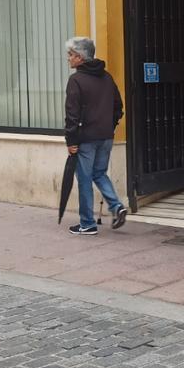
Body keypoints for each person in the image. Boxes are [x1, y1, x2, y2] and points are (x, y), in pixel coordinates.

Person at [64, 37, 128, 236]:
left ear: (80, 57)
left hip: (86, 138)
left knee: (84, 178)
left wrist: (71, 141)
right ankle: (116, 206)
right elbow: (118, 107)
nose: (68, 59)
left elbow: (71, 114)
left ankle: (87, 223)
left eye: (71, 55)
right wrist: (110, 125)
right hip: (106, 136)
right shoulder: (107, 77)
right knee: (99, 173)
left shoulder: (76, 80)